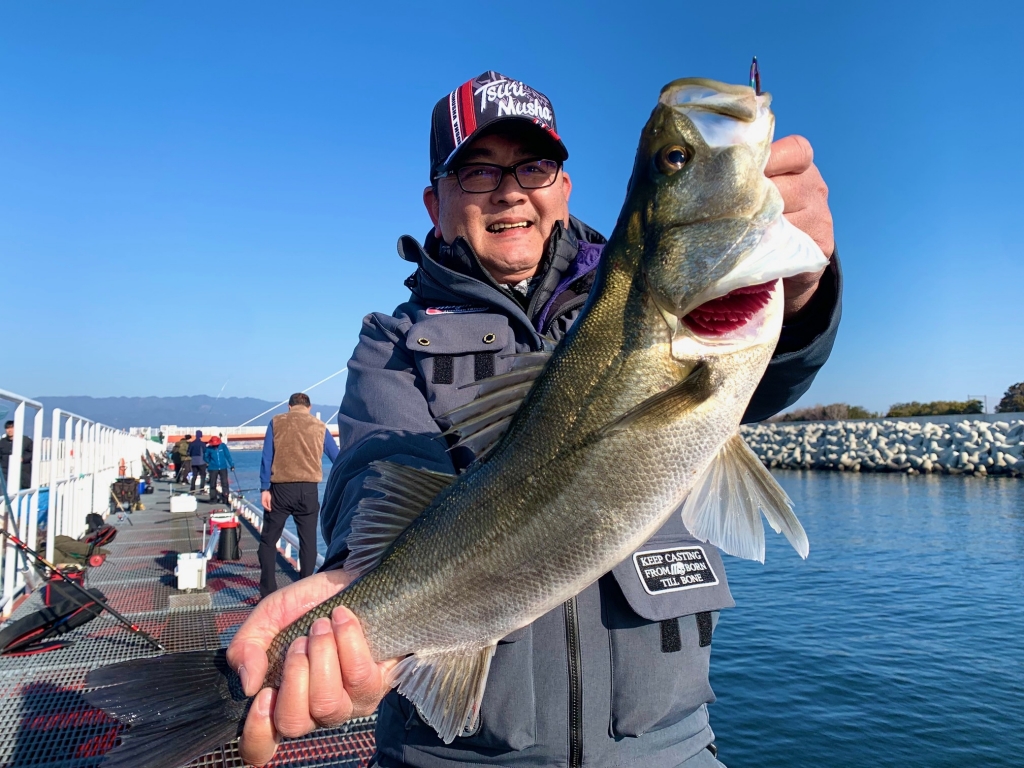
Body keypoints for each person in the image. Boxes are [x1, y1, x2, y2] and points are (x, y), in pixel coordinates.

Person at [227, 71, 842, 768]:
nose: (510, 191)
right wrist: (348, 593)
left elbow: (771, 378)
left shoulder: (629, 297)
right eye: (478, 171)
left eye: (534, 166)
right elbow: (376, 476)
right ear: (434, 203)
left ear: (565, 187)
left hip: (667, 748)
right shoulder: (391, 342)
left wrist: (803, 292)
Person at [257, 393, 340, 597]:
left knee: (268, 541)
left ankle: (268, 591)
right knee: (308, 543)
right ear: (309, 408)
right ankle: (304, 591)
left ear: (289, 406)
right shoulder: (319, 426)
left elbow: (267, 457)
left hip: (280, 489)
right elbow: (337, 457)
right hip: (309, 490)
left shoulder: (276, 422)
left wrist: (264, 488)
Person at [1, 420, 33, 490]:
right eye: (7, 428)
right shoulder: (2, 442)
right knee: (5, 491)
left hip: (23, 472)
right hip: (6, 472)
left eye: (12, 428)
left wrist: (23, 458)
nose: (10, 430)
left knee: (23, 491)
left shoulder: (26, 441)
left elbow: (32, 453)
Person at [203, 435, 235, 503]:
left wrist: (232, 465)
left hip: (223, 467)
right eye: (214, 445)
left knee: (225, 483)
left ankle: (225, 498)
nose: (215, 446)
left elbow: (228, 456)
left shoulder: (223, 446)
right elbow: (205, 457)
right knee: (212, 484)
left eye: (216, 444)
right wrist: (209, 462)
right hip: (213, 468)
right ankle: (213, 499)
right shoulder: (208, 448)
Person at [189, 430, 208, 494]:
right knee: (203, 476)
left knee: (194, 476)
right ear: (201, 436)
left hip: (193, 462)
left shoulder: (191, 444)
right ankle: (201, 489)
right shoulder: (203, 444)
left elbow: (188, 453)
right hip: (202, 462)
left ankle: (192, 489)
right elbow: (205, 452)